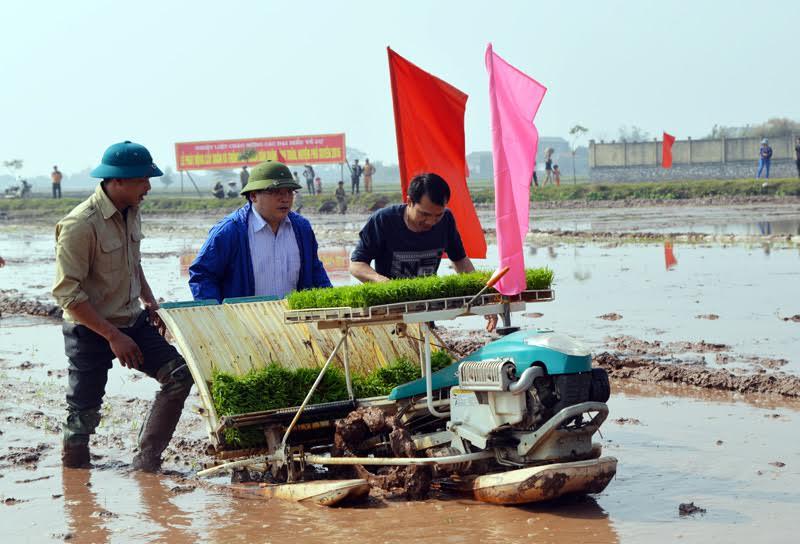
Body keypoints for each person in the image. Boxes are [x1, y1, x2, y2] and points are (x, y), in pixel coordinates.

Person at [51, 140, 193, 471]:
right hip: (89, 328)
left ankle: (146, 465)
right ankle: (76, 486)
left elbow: (133, 261)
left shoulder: (132, 210)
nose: (148, 186)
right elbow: (67, 295)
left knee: (180, 376)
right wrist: (113, 336)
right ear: (117, 181)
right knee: (82, 413)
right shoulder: (79, 225)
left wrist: (150, 300)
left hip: (133, 320)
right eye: (142, 179)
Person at [350, 172, 497, 329]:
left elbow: (460, 261)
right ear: (409, 202)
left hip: (426, 311)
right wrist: (381, 281)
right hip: (390, 313)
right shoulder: (383, 220)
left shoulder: (446, 220)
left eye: (437, 215)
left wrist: (482, 300)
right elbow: (356, 265)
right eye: (424, 214)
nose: (431, 222)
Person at [189, 161, 331, 302]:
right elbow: (202, 276)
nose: (285, 199)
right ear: (253, 196)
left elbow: (315, 272)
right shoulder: (230, 231)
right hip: (244, 322)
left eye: (289, 192)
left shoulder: (302, 228)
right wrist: (217, 316)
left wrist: (332, 304)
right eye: (275, 192)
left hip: (293, 322)